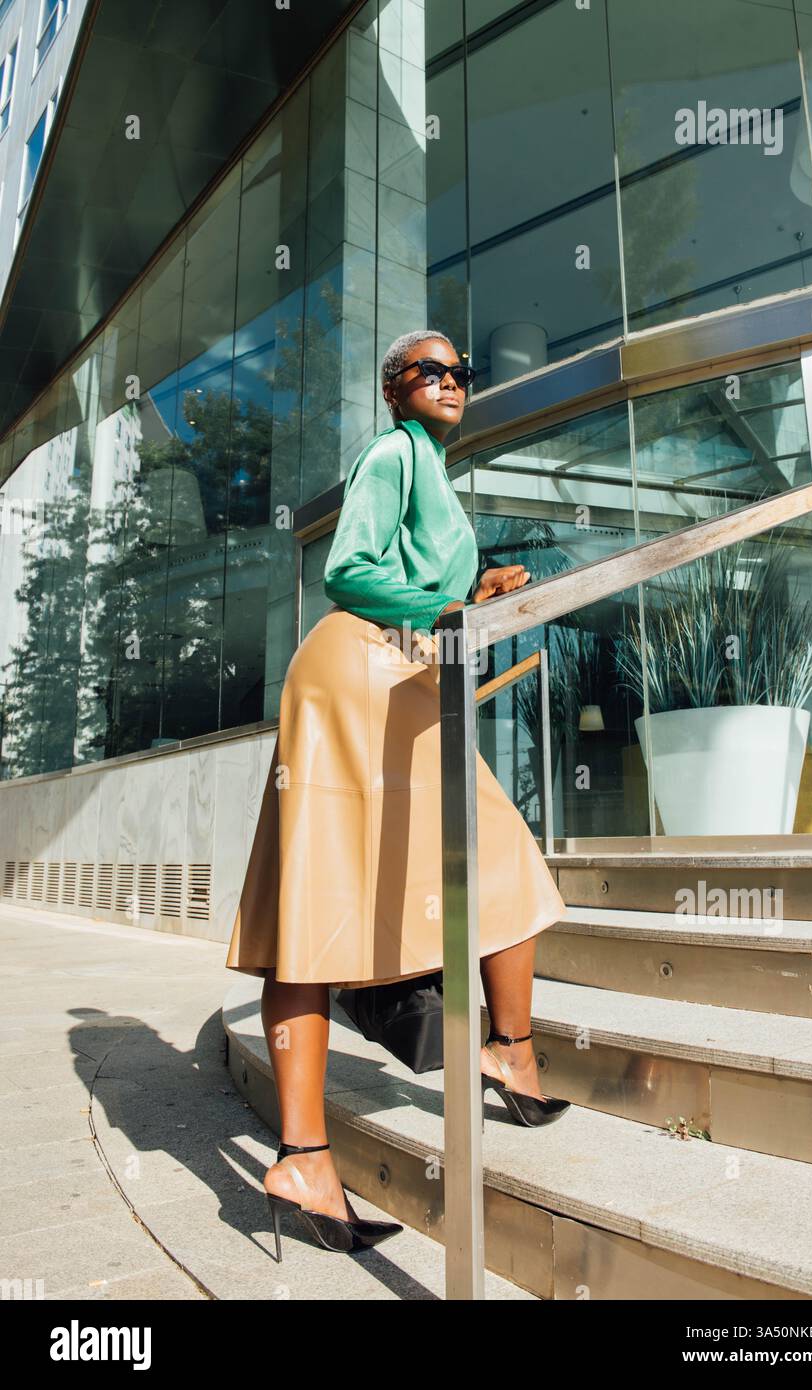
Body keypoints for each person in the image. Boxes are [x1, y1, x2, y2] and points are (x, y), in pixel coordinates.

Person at [225, 330, 568, 1258]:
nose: (452, 382)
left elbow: (418, 585)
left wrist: (475, 583)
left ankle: (505, 1052)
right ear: (395, 390)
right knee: (332, 900)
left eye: (461, 373)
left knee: (474, 855)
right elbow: (349, 573)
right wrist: (445, 608)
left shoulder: (431, 472)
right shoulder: (391, 454)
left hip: (390, 674)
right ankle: (318, 1146)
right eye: (432, 370)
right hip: (352, 674)